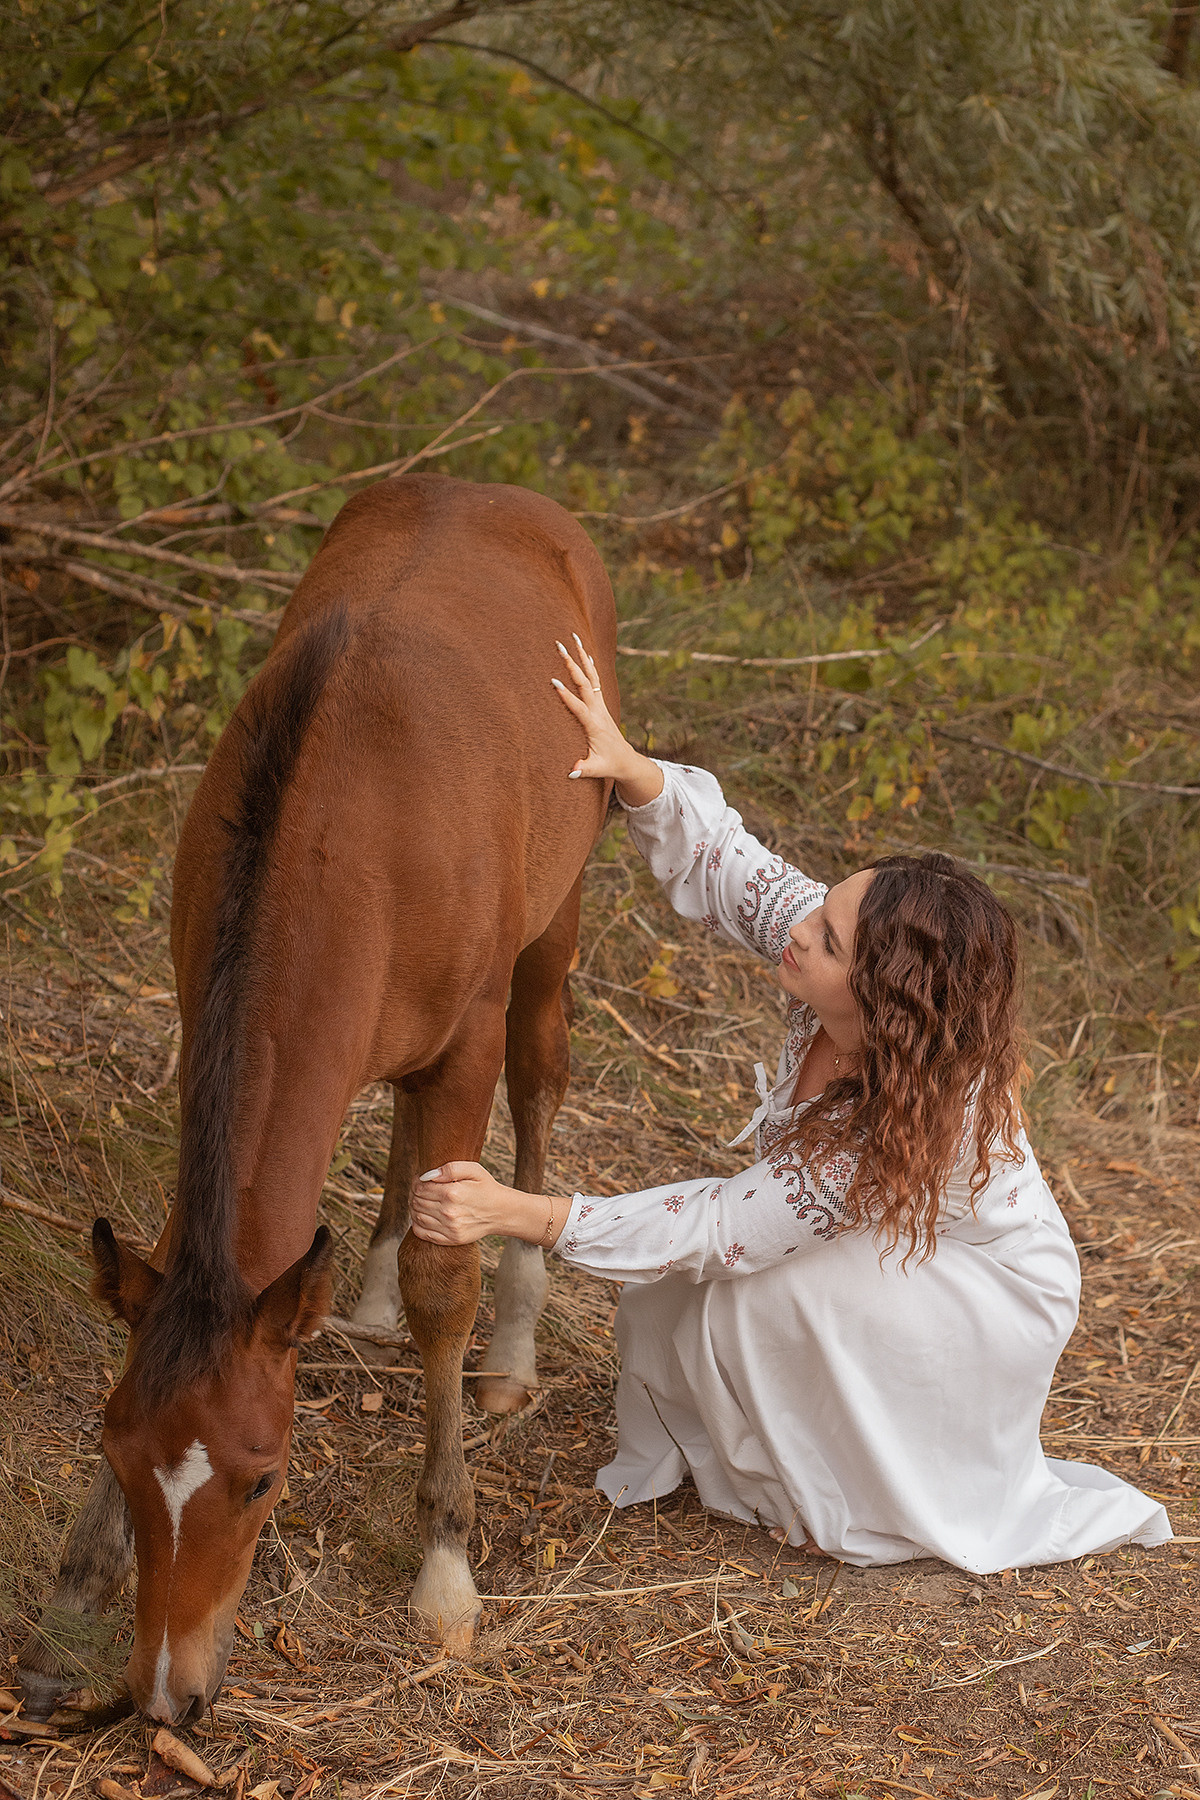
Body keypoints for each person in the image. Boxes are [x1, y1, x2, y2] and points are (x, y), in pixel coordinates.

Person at [410, 637, 1170, 1572]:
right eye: (822, 913)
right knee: (676, 1300)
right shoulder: (833, 957)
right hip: (907, 1238)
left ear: (886, 1003)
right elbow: (735, 868)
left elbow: (726, 1224)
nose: (800, 929)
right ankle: (777, 1455)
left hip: (989, 1296)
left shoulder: (898, 1111)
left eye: (828, 938)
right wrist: (634, 769)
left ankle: (847, 1501)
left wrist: (518, 1213)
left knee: (765, 1292)